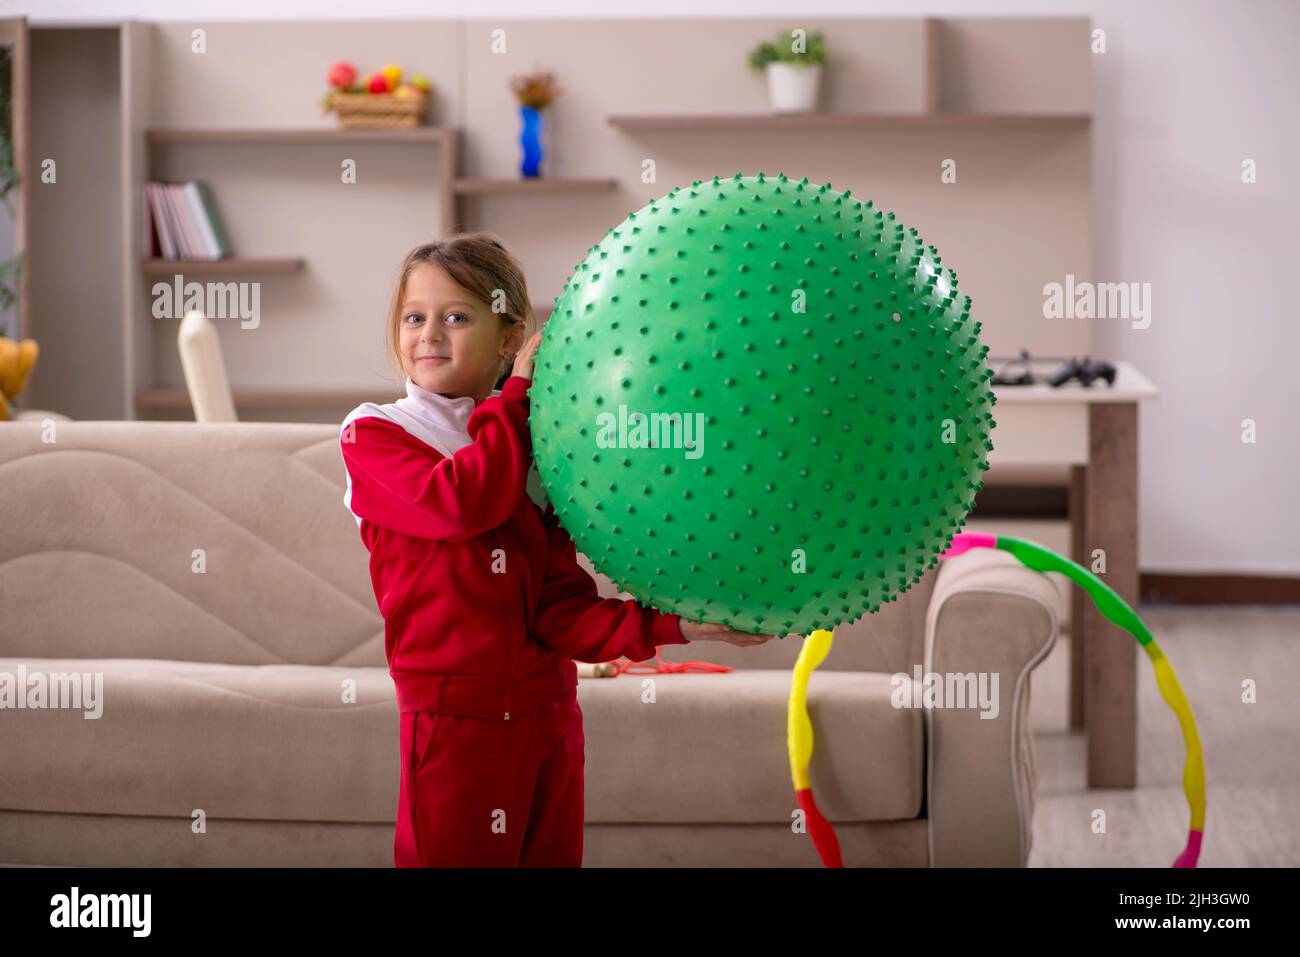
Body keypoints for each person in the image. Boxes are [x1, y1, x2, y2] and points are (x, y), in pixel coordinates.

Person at [339, 233, 777, 867]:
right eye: (414, 317)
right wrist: (516, 402)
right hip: (453, 721)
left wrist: (680, 623)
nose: (429, 334)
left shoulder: (538, 450)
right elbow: (464, 504)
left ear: (511, 338)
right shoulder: (374, 433)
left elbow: (560, 612)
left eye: (457, 316)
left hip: (549, 713)